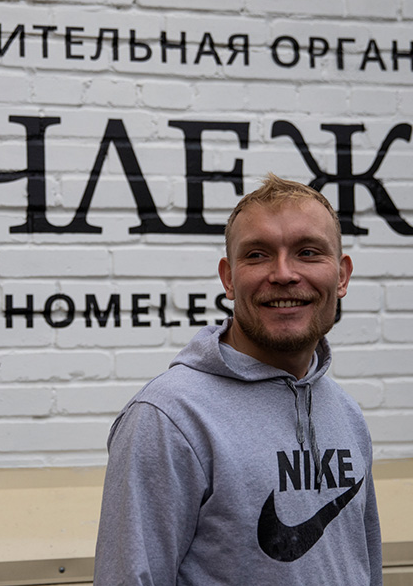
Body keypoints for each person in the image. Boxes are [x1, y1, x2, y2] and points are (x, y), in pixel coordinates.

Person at [94, 174, 381, 585]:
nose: (283, 273)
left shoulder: (347, 415)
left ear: (342, 275)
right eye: (258, 255)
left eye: (308, 252)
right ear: (228, 278)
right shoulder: (169, 418)